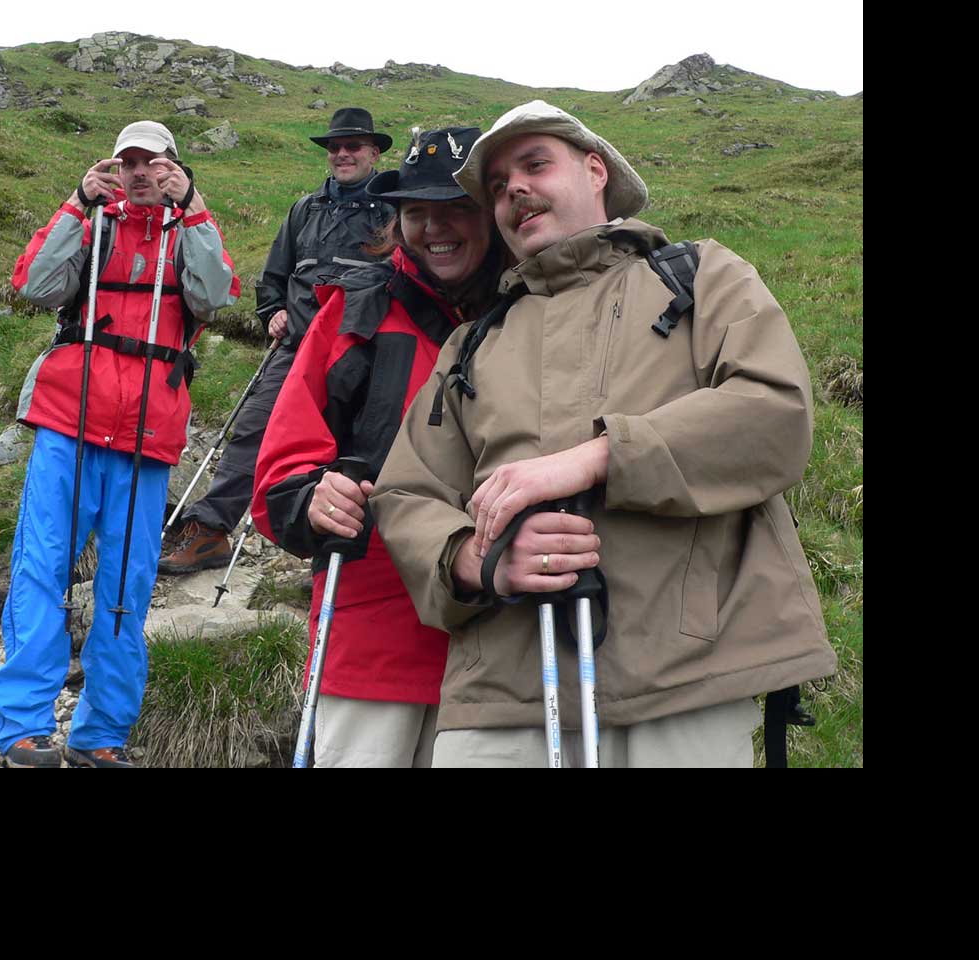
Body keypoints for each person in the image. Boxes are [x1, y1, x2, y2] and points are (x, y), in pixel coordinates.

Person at [371, 101, 836, 768]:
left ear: (596, 172)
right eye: (498, 186)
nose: (514, 190)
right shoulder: (470, 344)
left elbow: (775, 412)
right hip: (500, 695)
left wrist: (598, 458)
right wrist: (477, 560)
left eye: (535, 165)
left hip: (687, 681)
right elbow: (407, 492)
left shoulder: (704, 276)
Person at [0, 120, 240, 767]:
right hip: (69, 421)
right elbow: (35, 285)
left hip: (146, 434)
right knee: (42, 568)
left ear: (174, 168)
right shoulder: (93, 223)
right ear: (116, 169)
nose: (140, 172)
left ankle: (101, 734)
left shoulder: (189, 230)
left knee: (128, 581)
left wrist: (195, 210)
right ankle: (22, 726)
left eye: (153, 162)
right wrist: (76, 203)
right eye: (129, 162)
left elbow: (213, 297)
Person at [252, 127, 504, 767]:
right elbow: (282, 466)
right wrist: (312, 498)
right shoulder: (356, 312)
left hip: (505, 646)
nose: (434, 227)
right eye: (415, 211)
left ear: (493, 213)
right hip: (373, 637)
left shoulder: (535, 313)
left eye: (456, 207)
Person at [159, 107, 395, 573]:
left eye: (353, 146)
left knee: (356, 446)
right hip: (297, 347)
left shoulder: (392, 211)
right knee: (253, 429)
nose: (342, 154)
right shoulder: (305, 210)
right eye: (335, 147)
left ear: (374, 153)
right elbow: (274, 276)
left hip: (365, 349)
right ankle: (210, 532)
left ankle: (344, 559)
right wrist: (274, 311)